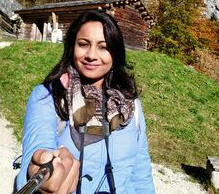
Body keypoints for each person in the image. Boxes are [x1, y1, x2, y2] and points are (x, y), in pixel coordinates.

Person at [16, 10, 155, 193]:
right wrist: (42, 176)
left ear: (115, 53)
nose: (91, 55)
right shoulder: (49, 96)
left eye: (103, 47)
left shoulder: (130, 105)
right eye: (83, 44)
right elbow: (37, 148)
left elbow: (140, 171)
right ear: (72, 47)